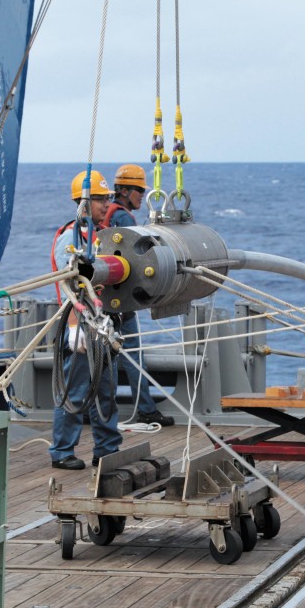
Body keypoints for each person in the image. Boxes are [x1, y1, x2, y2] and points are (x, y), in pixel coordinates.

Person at [48, 170, 123, 469]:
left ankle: (106, 448)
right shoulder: (71, 238)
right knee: (75, 390)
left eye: (107, 198)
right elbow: (68, 284)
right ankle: (62, 451)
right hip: (78, 323)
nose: (106, 204)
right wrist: (74, 329)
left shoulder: (98, 235)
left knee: (105, 388)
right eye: (100, 199)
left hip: (101, 322)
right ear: (83, 202)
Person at [101, 164, 174, 426]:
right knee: (132, 354)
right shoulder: (124, 219)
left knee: (104, 357)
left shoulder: (107, 214)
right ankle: (145, 409)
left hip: (103, 300)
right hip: (120, 303)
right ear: (124, 191)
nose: (142, 196)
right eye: (139, 191)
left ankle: (99, 411)